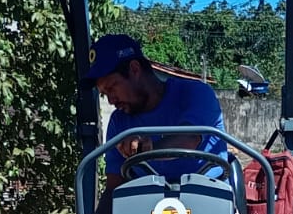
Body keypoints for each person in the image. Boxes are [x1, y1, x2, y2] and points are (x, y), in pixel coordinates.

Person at [83, 34, 231, 199]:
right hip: (147, 213)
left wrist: (149, 147)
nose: (111, 100)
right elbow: (114, 188)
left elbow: (189, 139)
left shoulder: (196, 94)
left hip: (209, 202)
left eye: (112, 88)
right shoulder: (119, 123)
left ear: (134, 69)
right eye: (104, 94)